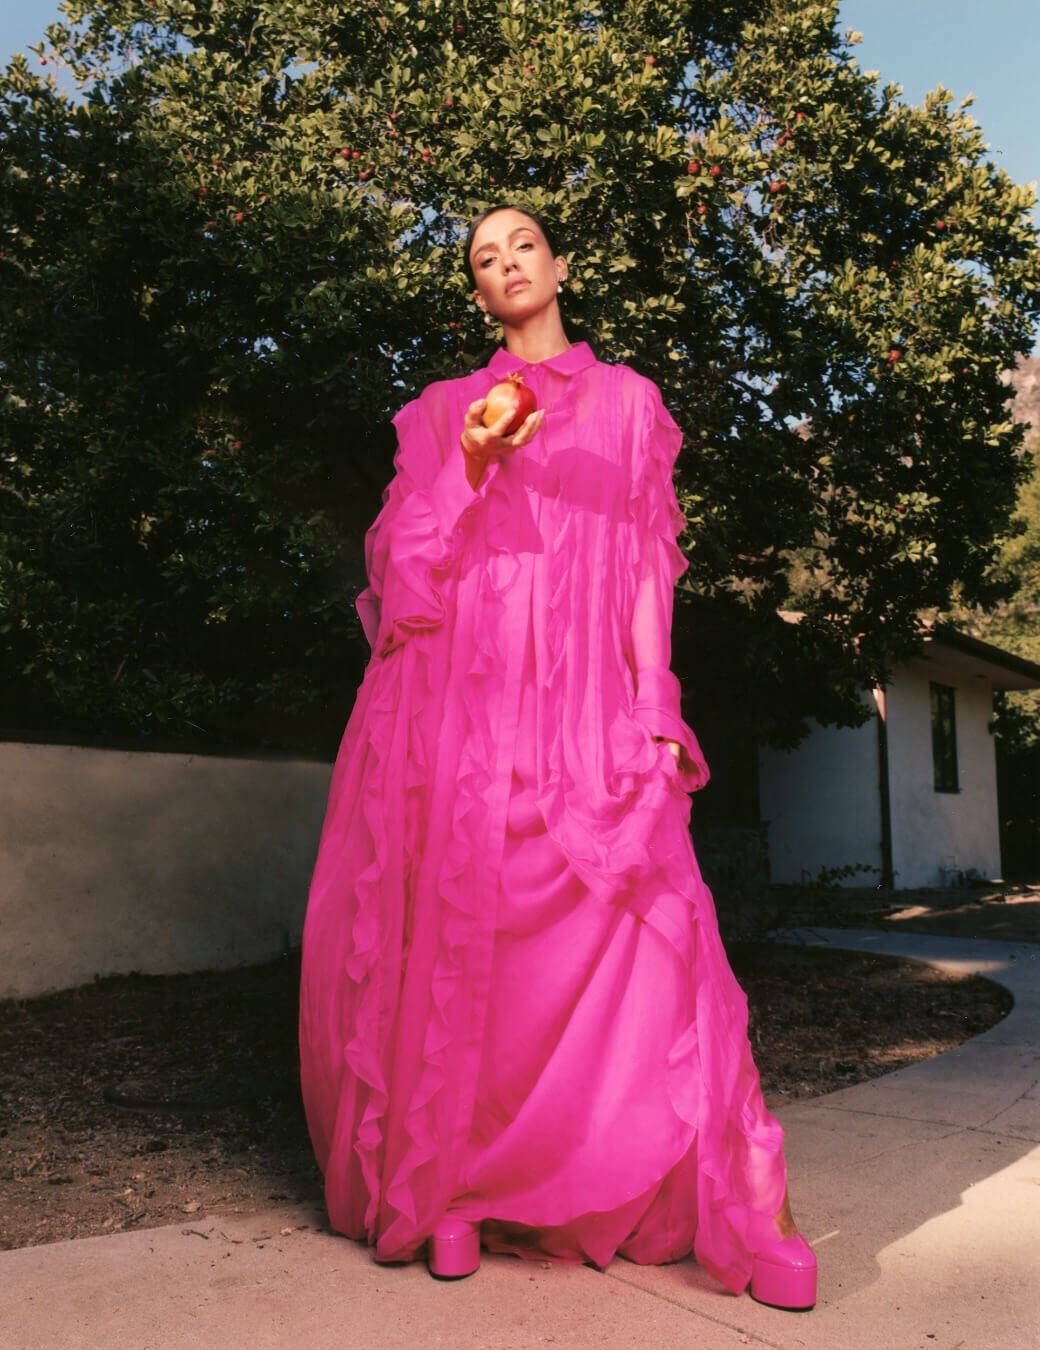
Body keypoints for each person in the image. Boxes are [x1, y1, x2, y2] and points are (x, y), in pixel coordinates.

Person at [298, 205, 817, 1311]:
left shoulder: (631, 404)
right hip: (465, 706)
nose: (505, 265)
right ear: (478, 296)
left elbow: (641, 567)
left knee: (659, 922)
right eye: (483, 260)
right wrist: (471, 467)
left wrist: (655, 696)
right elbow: (402, 579)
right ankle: (450, 1198)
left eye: (520, 244)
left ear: (560, 264)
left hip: (586, 704)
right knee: (459, 938)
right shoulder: (442, 411)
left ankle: (742, 1201)